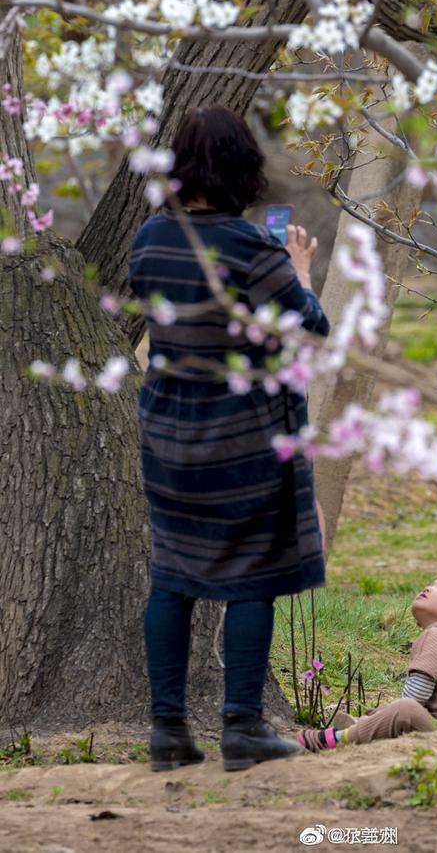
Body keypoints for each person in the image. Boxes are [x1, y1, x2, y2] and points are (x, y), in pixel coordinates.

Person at [127, 104, 330, 773]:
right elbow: (310, 326)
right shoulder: (251, 247)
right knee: (254, 575)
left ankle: (167, 732)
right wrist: (299, 269)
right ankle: (242, 727)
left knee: (171, 575)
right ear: (244, 167)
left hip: (167, 431)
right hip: (242, 435)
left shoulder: (150, 238)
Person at [296, 573, 437, 752]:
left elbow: (416, 695)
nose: (428, 588)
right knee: (400, 710)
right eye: (430, 584)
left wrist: (390, 712)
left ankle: (337, 738)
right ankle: (365, 726)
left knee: (406, 709)